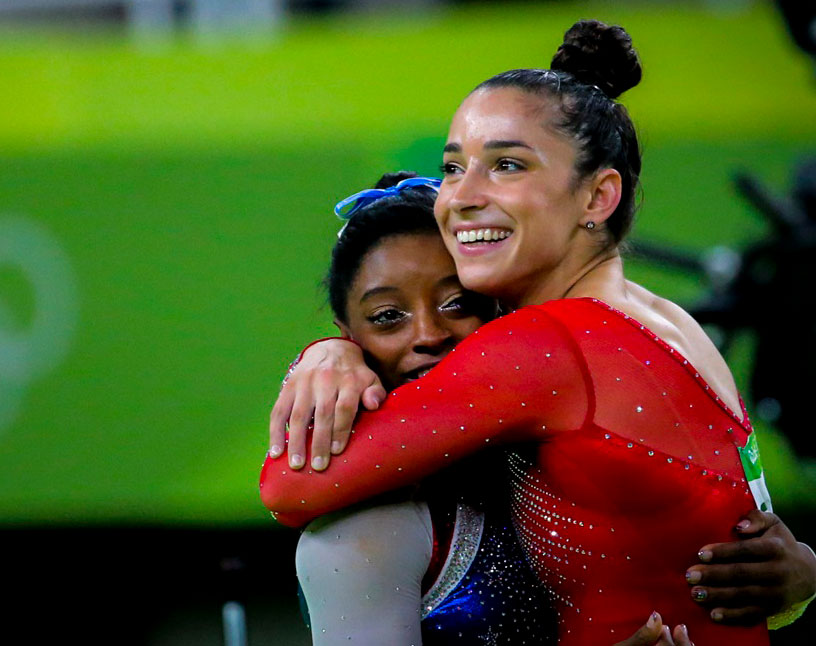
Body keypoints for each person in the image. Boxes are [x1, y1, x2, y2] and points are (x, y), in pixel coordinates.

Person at [262, 20, 816, 645]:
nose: (462, 196)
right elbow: (747, 541)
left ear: (597, 197)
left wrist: (328, 356)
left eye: (506, 165)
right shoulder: (670, 319)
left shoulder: (542, 348)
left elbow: (289, 484)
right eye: (452, 167)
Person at [293, 170, 699, 646]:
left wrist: (798, 582)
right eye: (388, 317)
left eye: (458, 304)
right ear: (350, 338)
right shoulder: (367, 528)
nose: (428, 335)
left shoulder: (564, 462)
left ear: (502, 312)